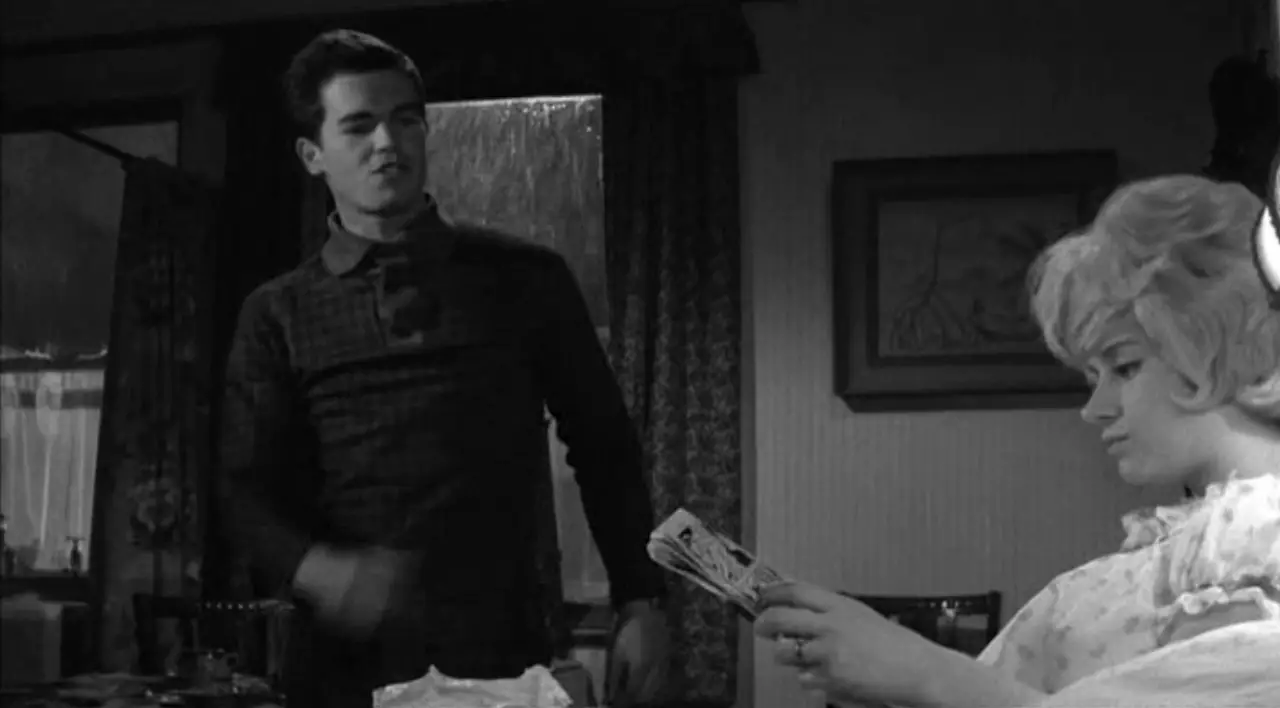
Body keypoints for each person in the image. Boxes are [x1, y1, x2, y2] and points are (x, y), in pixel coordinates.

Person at [218, 29, 669, 708]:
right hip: (343, 667)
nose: (388, 144)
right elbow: (242, 493)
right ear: (312, 155)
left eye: (406, 121)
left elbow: (605, 447)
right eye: (359, 126)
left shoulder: (525, 279)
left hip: (501, 655)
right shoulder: (276, 312)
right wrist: (316, 569)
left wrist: (640, 598)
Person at [754, 175, 1280, 708]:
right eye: (1093, 375)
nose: (1095, 409)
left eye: (1125, 366)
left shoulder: (1253, 546)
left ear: (1238, 351)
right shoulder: (1173, 557)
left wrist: (920, 672)